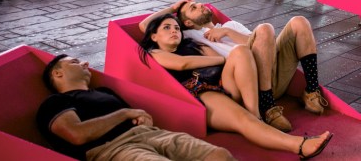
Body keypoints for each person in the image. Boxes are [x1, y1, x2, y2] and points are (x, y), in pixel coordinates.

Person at [138, 15, 333, 157]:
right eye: (167, 28)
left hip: (222, 84)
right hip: (199, 92)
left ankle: (257, 112)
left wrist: (222, 51)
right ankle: (299, 145)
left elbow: (229, 56)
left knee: (240, 51)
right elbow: (183, 64)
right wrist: (174, 8)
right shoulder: (153, 52)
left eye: (176, 28)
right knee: (243, 120)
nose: (174, 30)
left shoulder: (192, 44)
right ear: (153, 36)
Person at [38, 54, 235, 161]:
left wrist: (140, 117)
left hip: (151, 134)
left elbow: (138, 117)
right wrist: (125, 113)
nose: (85, 62)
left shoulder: (105, 91)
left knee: (220, 155)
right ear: (57, 74)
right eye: (74, 62)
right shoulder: (55, 102)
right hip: (112, 149)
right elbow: (77, 134)